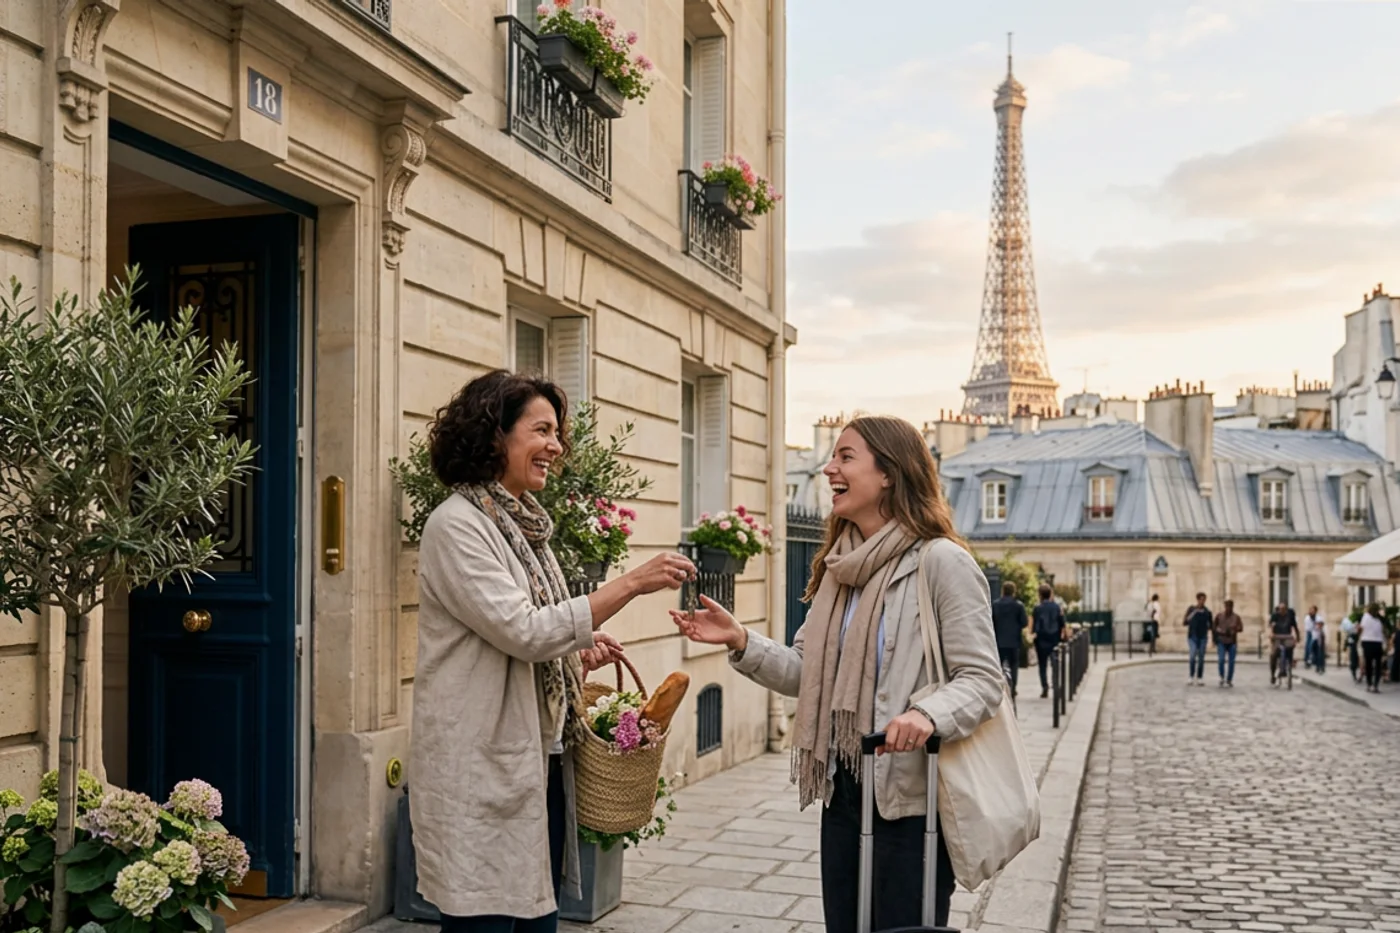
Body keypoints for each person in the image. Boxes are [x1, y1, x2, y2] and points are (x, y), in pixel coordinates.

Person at [670, 415, 1004, 933]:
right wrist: (742, 640)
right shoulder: (839, 567)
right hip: (843, 786)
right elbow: (809, 675)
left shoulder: (941, 564)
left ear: (889, 473)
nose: (829, 468)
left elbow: (983, 680)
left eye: (846, 457)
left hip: (910, 799)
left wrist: (927, 714)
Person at [409, 370, 698, 933]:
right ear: (496, 436)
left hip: (537, 765)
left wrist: (576, 650)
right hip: (481, 763)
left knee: (536, 920)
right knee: (485, 918)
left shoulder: (523, 527)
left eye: (557, 432)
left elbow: (533, 631)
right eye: (541, 430)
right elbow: (522, 630)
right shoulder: (457, 526)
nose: (556, 446)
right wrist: (631, 583)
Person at [991, 581, 1028, 698]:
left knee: (998, 666)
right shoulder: (1018, 606)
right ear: (1014, 592)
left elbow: (991, 622)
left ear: (1003, 591)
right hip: (1014, 641)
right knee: (1014, 666)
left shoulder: (995, 605)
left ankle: (998, 688)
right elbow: (1024, 622)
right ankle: (1013, 687)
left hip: (999, 641)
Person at [1032, 584, 1065, 699]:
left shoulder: (1037, 608)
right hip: (1054, 638)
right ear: (1050, 593)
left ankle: (1044, 687)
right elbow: (1062, 623)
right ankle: (1055, 685)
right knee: (1055, 663)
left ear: (1040, 595)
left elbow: (1035, 625)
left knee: (1042, 665)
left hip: (1041, 639)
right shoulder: (1057, 607)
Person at [1211, 599, 1243, 688]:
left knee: (1231, 662)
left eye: (1230, 606)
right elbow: (1214, 627)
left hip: (1232, 641)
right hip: (1221, 640)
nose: (1228, 608)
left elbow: (1241, 628)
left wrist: (1235, 629)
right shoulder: (1219, 616)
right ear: (1225, 607)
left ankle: (1229, 679)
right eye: (1227, 606)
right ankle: (1221, 676)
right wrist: (1215, 638)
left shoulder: (1236, 617)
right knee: (1221, 659)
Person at [1183, 593, 1212, 687]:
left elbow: (1211, 625)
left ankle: (1200, 677)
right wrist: (1195, 612)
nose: (1202, 601)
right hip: (1193, 636)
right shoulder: (1191, 609)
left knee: (1201, 658)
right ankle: (1191, 676)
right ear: (1197, 600)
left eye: (1204, 599)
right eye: (1201, 599)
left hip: (1203, 636)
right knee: (1192, 655)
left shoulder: (1207, 612)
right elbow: (1185, 621)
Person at [1269, 603, 1300, 688]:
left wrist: (1297, 637)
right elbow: (1271, 625)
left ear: (1286, 610)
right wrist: (1272, 634)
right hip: (1277, 637)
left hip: (1287, 637)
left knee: (1290, 651)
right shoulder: (1275, 615)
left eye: (1283, 609)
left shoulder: (1290, 616)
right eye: (1280, 609)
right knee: (1273, 655)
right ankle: (1273, 674)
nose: (1281, 611)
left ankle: (1288, 667)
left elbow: (1295, 627)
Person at [1359, 603, 1386, 693]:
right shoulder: (1379, 620)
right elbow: (1384, 630)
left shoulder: (1365, 616)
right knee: (1378, 665)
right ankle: (1375, 685)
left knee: (1369, 664)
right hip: (1378, 643)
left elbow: (1361, 629)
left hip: (1367, 642)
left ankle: (1369, 684)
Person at [1305, 606, 1325, 673]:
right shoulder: (1307, 618)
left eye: (1312, 611)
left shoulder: (1318, 617)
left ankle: (1320, 666)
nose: (1311, 612)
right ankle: (1309, 661)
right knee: (1310, 649)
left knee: (1319, 652)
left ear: (1315, 611)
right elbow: (1309, 629)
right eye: (1310, 610)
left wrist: (1318, 625)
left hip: (1319, 636)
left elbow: (1320, 625)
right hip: (1311, 635)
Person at [1340, 612, 1360, 682]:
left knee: (1355, 659)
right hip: (1354, 642)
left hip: (1359, 641)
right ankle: (1354, 673)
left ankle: (1357, 673)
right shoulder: (1350, 623)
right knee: (1354, 658)